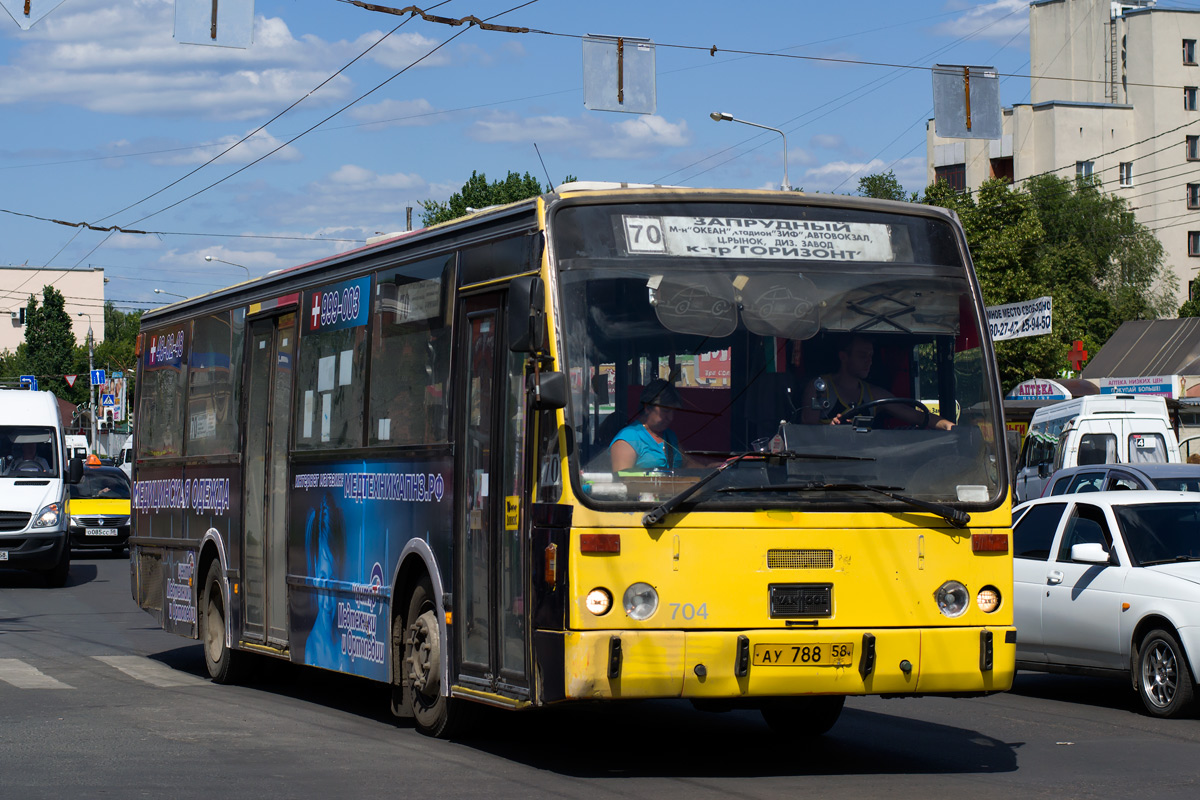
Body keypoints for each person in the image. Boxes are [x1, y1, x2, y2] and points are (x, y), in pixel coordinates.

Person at [799, 334, 954, 430]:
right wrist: (831, 429)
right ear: (843, 356)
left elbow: (919, 417)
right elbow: (806, 433)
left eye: (871, 355)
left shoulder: (874, 394)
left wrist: (949, 427)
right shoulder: (820, 388)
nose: (869, 361)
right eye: (862, 355)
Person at [610, 379, 693, 472]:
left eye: (673, 411)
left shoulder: (670, 436)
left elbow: (687, 464)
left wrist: (709, 468)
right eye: (665, 411)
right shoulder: (628, 439)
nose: (670, 417)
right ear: (647, 408)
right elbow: (622, 480)